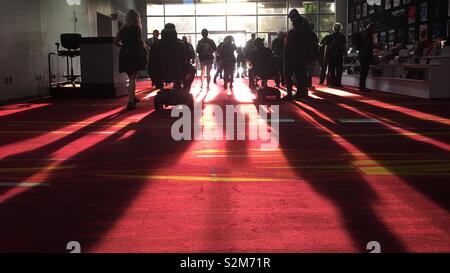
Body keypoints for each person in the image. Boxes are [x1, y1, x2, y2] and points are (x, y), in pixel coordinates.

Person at [114, 9, 148, 110]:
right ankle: (130, 101)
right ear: (136, 18)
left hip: (125, 54)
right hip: (135, 54)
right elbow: (140, 42)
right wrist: (146, 48)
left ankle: (133, 97)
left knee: (131, 77)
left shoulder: (123, 28)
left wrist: (123, 47)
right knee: (133, 79)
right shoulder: (137, 28)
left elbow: (115, 41)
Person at [284, 9, 317, 101]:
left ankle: (290, 94)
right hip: (302, 58)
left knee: (288, 75)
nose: (290, 21)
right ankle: (300, 93)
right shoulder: (306, 32)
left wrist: (286, 59)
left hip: (292, 58)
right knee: (300, 76)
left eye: (291, 19)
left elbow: (288, 48)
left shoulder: (292, 33)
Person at [355, 23, 375, 92]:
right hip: (365, 55)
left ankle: (362, 86)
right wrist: (375, 46)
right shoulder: (366, 35)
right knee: (364, 72)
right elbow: (368, 44)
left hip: (362, 55)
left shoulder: (362, 33)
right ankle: (362, 87)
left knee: (363, 71)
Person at [326, 23, 347, 88]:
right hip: (339, 55)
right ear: (340, 28)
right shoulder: (342, 36)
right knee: (339, 70)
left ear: (333, 28)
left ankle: (332, 83)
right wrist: (345, 54)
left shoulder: (330, 36)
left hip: (331, 55)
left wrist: (326, 55)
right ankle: (338, 83)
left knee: (332, 69)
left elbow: (327, 47)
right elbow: (344, 47)